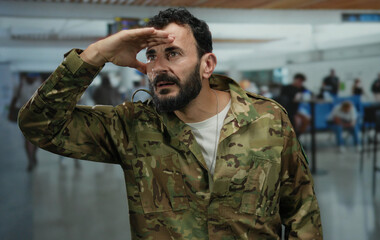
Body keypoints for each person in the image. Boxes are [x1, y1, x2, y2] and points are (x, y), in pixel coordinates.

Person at [18, 8, 322, 240]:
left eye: (173, 54)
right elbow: (39, 123)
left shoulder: (267, 118)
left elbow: (300, 210)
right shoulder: (133, 126)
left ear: (207, 65)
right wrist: (96, 54)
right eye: (151, 56)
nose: (158, 67)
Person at [10, 73, 43, 171]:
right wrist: (11, 112)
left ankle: (33, 154)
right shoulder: (20, 85)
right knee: (27, 139)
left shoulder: (40, 85)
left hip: (38, 116)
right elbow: (14, 99)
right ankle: (30, 160)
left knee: (36, 140)